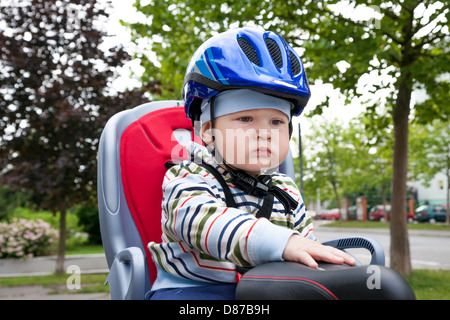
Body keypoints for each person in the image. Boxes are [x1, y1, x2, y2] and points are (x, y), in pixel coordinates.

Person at [147, 26, 355, 300]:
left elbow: (306, 247)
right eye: (245, 119)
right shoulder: (189, 176)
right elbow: (202, 222)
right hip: (193, 291)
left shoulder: (287, 191)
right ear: (208, 130)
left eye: (277, 122)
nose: (264, 132)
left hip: (267, 290)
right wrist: (282, 242)